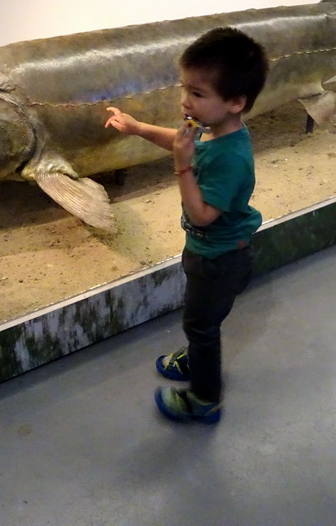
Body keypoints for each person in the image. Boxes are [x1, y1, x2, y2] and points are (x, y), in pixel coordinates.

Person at [104, 26, 269, 424]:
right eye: (185, 88)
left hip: (220, 261)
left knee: (201, 327)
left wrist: (181, 165)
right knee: (201, 321)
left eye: (197, 93)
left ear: (236, 102)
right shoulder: (214, 130)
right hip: (210, 254)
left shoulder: (231, 158)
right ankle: (196, 354)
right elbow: (181, 140)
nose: (185, 101)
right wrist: (138, 128)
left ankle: (205, 399)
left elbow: (202, 215)